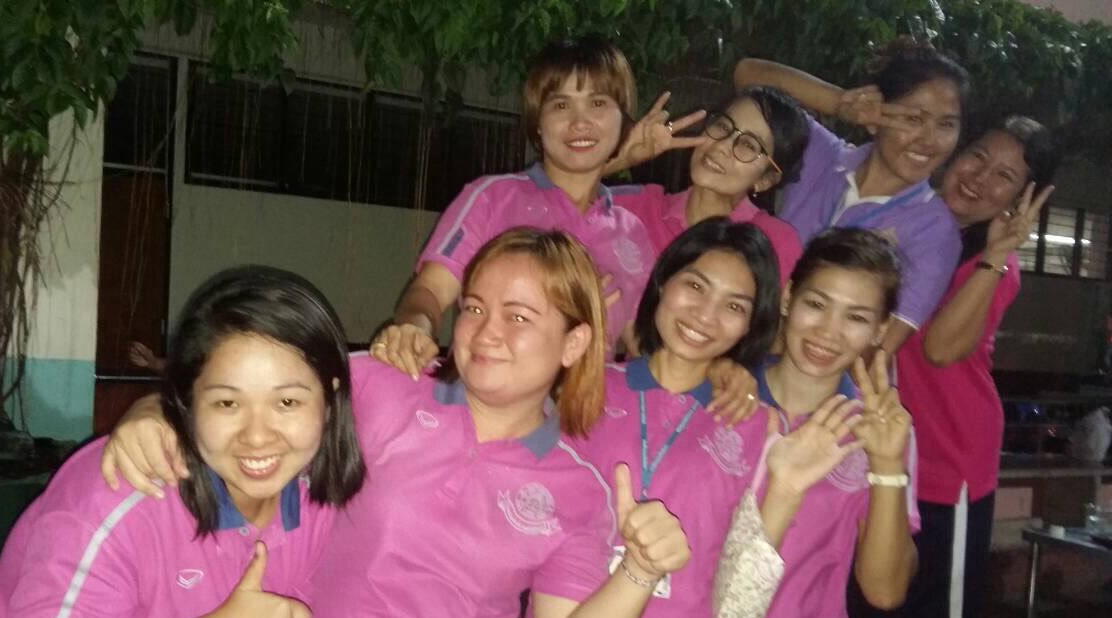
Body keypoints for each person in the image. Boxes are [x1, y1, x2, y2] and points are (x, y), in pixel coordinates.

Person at [100, 228, 693, 618]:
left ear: (574, 342)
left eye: (518, 317)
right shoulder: (385, 387)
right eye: (475, 308)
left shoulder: (578, 488)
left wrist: (639, 571)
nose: (486, 331)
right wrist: (152, 412)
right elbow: (242, 393)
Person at [0, 265, 366, 618]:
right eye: (227, 403)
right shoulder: (122, 496)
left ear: (330, 399)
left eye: (287, 402)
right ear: (188, 402)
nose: (257, 435)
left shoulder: (307, 508)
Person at [505, 219, 872, 618]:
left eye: (735, 306)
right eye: (695, 286)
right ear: (663, 282)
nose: (706, 314)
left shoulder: (757, 428)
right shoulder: (579, 387)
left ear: (752, 324)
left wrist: (786, 488)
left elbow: (739, 608)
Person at [848, 117, 1058, 618]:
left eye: (1005, 177)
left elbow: (940, 349)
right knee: (865, 617)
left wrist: (995, 256)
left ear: (1019, 200)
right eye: (978, 156)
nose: (980, 178)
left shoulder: (996, 267)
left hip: (946, 464)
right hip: (874, 453)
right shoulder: (909, 223)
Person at [372, 35, 658, 376]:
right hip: (487, 395)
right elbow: (430, 291)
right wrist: (413, 330)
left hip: (589, 406)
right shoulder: (492, 198)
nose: (580, 122)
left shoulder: (631, 231)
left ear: (623, 120)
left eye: (597, 103)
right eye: (561, 105)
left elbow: (646, 345)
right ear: (537, 122)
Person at [726, 228, 920, 618]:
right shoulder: (724, 396)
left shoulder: (878, 430)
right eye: (817, 304)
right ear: (788, 297)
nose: (829, 333)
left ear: (880, 329)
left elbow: (885, 590)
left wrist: (888, 466)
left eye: (856, 317)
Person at [734, 44, 966, 354]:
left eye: (947, 124)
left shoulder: (934, 230)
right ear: (877, 113)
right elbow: (749, 75)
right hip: (742, 350)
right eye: (913, 119)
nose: (929, 140)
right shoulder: (822, 156)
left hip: (819, 375)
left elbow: (877, 350)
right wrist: (841, 103)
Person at [607, 86, 810, 283]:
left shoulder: (775, 244)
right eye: (723, 126)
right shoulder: (633, 208)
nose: (722, 145)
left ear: (765, 180)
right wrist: (619, 161)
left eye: (748, 145)